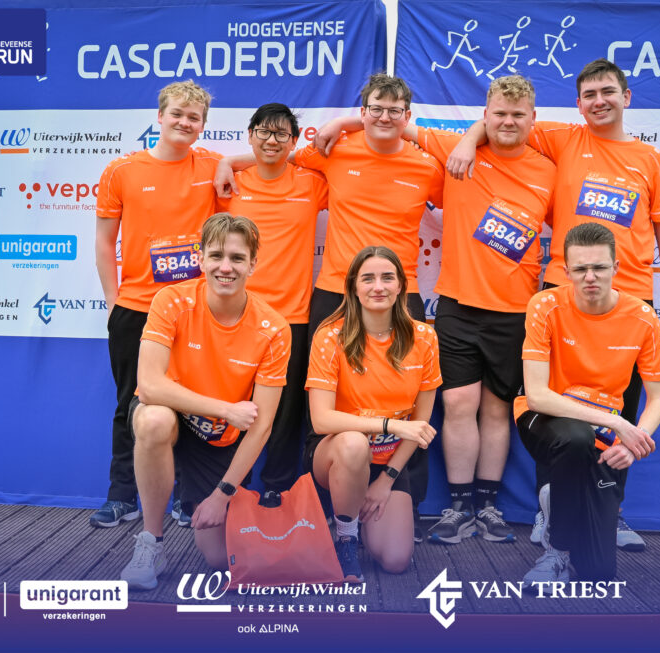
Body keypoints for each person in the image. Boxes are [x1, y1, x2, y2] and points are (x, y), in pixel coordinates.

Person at [449, 58, 660, 550]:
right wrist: (468, 140)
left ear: (626, 97)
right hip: (562, 291)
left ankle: (609, 511)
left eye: (608, 92)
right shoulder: (561, 138)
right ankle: (549, 510)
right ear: (577, 103)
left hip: (631, 294)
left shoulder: (650, 159)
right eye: (589, 94)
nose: (599, 101)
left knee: (619, 407)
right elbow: (502, 120)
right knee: (559, 413)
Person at [315, 74, 555, 543]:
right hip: (457, 302)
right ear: (484, 116)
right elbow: (392, 124)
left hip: (515, 307)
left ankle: (489, 506)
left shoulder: (549, 168)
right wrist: (342, 122)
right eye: (498, 114)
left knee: (497, 409)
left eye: (517, 115)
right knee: (457, 402)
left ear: (533, 119)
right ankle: (458, 505)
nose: (507, 122)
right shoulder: (449, 149)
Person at [217, 74, 443, 540]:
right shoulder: (335, 152)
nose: (384, 117)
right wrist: (227, 160)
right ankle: (314, 499)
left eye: (395, 110)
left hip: (399, 293)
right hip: (335, 292)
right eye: (375, 108)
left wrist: (345, 122)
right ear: (363, 113)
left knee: (410, 395)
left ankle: (404, 497)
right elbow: (274, 157)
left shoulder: (428, 165)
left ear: (408, 117)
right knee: (315, 400)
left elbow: (467, 179)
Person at [120, 213, 290, 590]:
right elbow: (148, 386)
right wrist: (225, 409)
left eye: (237, 258)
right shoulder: (171, 300)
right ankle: (151, 542)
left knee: (218, 558)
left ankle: (200, 501)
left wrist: (221, 495)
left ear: (253, 264)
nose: (225, 267)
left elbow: (262, 425)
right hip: (174, 416)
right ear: (200, 259)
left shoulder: (274, 328)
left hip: (217, 438)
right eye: (216, 256)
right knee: (153, 420)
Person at [93, 80, 222, 528]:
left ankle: (189, 497)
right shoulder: (121, 170)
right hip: (137, 308)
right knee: (130, 402)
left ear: (203, 125)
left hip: (195, 310)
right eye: (177, 114)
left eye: (194, 117)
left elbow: (256, 163)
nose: (185, 123)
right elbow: (104, 241)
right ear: (160, 117)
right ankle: (122, 496)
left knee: (196, 406)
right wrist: (114, 300)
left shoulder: (213, 165)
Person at [515, 222, 660, 583]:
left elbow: (658, 400)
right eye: (580, 269)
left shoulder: (643, 318)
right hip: (543, 418)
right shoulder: (545, 305)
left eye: (599, 267)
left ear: (616, 267)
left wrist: (631, 445)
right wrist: (618, 423)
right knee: (576, 437)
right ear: (566, 271)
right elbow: (536, 395)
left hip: (602, 432)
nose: (590, 277)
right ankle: (556, 552)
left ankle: (556, 500)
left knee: (598, 572)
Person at [216, 103, 328, 507]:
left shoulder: (312, 183)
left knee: (284, 411)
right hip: (236, 314)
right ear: (250, 135)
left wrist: (230, 158)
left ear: (294, 140)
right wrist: (227, 163)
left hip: (291, 317)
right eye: (263, 131)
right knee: (231, 406)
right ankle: (226, 485)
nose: (271, 140)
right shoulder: (229, 185)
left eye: (281, 133)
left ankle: (276, 486)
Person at [305, 246, 441, 582]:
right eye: (367, 279)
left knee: (395, 560)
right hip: (336, 455)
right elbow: (321, 420)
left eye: (387, 278)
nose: (378, 287)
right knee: (354, 444)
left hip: (387, 463)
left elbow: (419, 425)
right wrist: (390, 424)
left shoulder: (424, 338)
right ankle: (346, 539)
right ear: (353, 287)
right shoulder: (329, 337)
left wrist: (386, 480)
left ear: (401, 286)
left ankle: (356, 518)